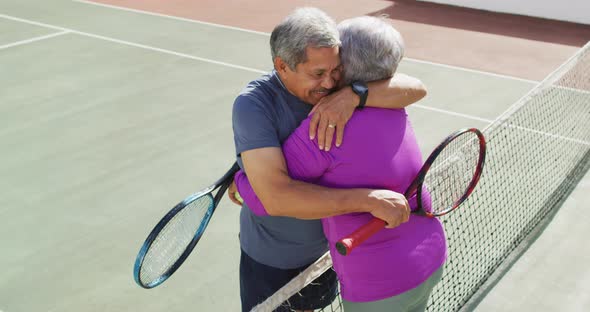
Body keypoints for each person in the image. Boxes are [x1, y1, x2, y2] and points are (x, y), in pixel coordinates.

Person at [230, 8, 427, 312]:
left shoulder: (342, 91)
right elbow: (275, 198)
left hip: (326, 254)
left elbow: (416, 88)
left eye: (336, 70)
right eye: (317, 74)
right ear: (282, 66)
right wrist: (368, 200)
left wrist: (354, 95)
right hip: (272, 260)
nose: (329, 82)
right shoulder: (253, 105)